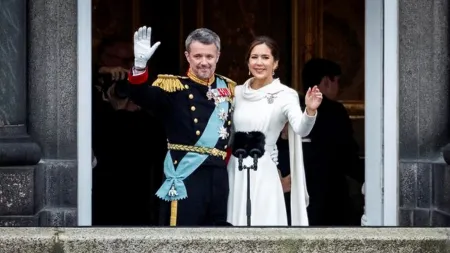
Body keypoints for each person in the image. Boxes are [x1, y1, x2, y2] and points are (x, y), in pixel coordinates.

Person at [125, 26, 236, 226]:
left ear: (218, 56)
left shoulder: (228, 88)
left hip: (219, 176)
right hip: (188, 174)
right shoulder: (173, 88)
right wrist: (140, 66)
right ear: (188, 56)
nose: (204, 62)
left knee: (219, 235)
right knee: (184, 235)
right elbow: (141, 96)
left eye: (209, 56)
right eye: (198, 56)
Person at [226, 36, 323, 226]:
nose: (259, 63)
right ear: (248, 62)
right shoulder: (235, 92)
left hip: (264, 171)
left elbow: (301, 129)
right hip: (234, 171)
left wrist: (310, 110)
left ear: (275, 63)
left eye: (265, 57)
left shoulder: (285, 95)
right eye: (254, 57)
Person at [300, 58, 364, 226]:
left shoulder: (295, 108)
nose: (339, 87)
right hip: (330, 195)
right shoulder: (335, 112)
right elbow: (347, 155)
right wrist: (366, 178)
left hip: (299, 193)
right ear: (326, 81)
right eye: (337, 81)